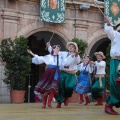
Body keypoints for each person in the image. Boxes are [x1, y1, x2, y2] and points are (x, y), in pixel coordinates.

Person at [47, 42, 80, 108]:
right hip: (62, 72)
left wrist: (76, 56)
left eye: (72, 47)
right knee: (60, 87)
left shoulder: (76, 55)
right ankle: (59, 102)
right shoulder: (63, 53)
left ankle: (66, 97)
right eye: (70, 46)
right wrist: (49, 46)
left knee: (69, 87)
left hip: (71, 73)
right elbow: (55, 52)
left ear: (75, 49)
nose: (71, 47)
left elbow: (77, 61)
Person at [104, 16, 120, 115]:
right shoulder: (116, 35)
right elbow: (110, 32)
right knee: (115, 84)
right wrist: (109, 24)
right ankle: (109, 105)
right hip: (117, 62)